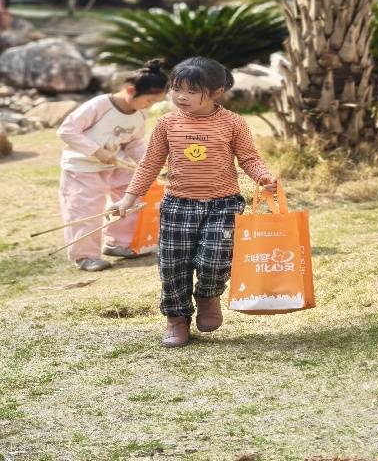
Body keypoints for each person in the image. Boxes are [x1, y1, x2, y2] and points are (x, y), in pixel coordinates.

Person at [113, 56, 277, 348]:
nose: (181, 96)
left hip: (222, 205)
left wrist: (263, 177)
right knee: (173, 265)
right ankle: (176, 318)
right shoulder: (166, 123)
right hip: (178, 205)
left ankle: (207, 296)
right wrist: (128, 198)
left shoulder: (233, 123)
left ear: (216, 92)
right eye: (176, 89)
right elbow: (150, 163)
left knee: (216, 259)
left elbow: (249, 158)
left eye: (191, 91)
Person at [57, 59, 169, 272]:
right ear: (130, 90)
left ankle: (119, 244)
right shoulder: (99, 105)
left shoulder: (140, 112)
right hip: (82, 167)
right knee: (83, 211)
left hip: (116, 165)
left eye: (154, 102)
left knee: (134, 198)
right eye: (148, 100)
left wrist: (148, 166)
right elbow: (67, 130)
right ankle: (85, 256)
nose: (149, 106)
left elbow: (133, 142)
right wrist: (96, 151)